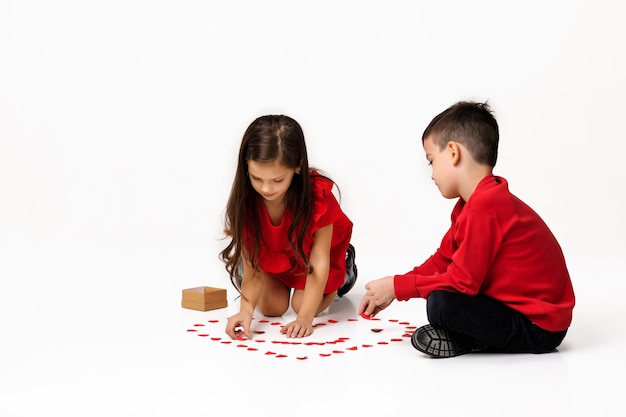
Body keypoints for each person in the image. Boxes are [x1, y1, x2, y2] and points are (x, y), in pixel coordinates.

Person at [358, 101, 575, 358]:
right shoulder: (472, 204)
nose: (431, 175)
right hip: (513, 310)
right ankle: (471, 337)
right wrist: (394, 287)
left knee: (441, 304)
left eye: (431, 161)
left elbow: (462, 283)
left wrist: (399, 286)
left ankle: (471, 341)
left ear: (453, 152)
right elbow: (444, 259)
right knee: (440, 297)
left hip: (538, 327)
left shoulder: (486, 206)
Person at [220, 114, 357, 340]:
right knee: (272, 308)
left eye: (277, 180)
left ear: (297, 167)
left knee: (303, 304)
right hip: (279, 258)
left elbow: (319, 262)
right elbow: (253, 271)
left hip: (315, 259)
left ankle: (344, 272)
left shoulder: (318, 199)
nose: (266, 189)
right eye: (256, 178)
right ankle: (276, 281)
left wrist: (304, 318)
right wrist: (244, 312)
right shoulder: (246, 203)